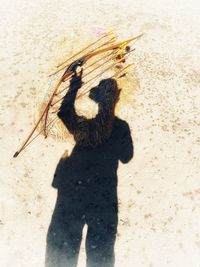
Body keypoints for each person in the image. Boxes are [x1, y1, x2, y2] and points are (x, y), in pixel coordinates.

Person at [45, 69, 133, 267]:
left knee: (62, 251)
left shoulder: (84, 127)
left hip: (73, 194)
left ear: (98, 100)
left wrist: (74, 85)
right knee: (100, 255)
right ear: (115, 100)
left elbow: (64, 112)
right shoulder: (120, 128)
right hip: (103, 198)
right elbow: (127, 157)